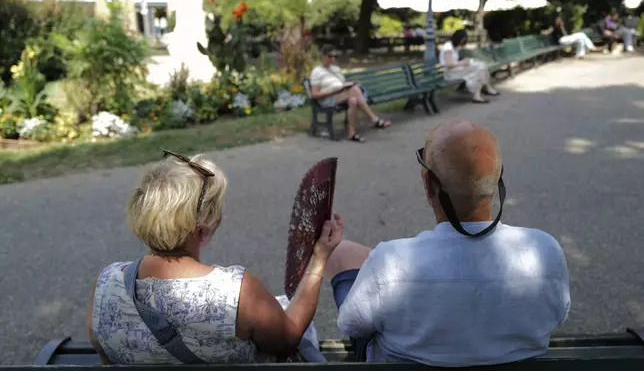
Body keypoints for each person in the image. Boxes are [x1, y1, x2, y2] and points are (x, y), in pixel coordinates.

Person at [326, 119, 571, 367]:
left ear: (428, 184)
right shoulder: (544, 251)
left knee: (343, 253)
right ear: (498, 179)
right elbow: (558, 315)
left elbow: (351, 325)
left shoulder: (389, 262)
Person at [87, 150, 344, 364]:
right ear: (202, 231)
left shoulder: (106, 284)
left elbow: (107, 356)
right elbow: (288, 341)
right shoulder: (235, 291)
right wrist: (318, 259)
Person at [310, 44, 392, 143]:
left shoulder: (336, 69)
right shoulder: (317, 71)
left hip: (341, 95)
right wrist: (334, 91)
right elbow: (314, 94)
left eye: (335, 56)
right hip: (327, 99)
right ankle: (374, 119)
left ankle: (352, 133)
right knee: (354, 90)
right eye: (330, 56)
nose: (332, 59)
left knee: (353, 100)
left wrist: (347, 85)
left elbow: (341, 84)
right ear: (322, 56)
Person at [439, 29, 499, 104]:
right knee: (480, 67)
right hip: (450, 73)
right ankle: (484, 90)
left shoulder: (454, 46)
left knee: (481, 66)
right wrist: (462, 62)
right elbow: (449, 64)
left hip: (456, 70)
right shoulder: (448, 47)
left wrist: (465, 61)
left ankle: (478, 95)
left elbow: (454, 62)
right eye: (462, 39)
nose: (463, 42)